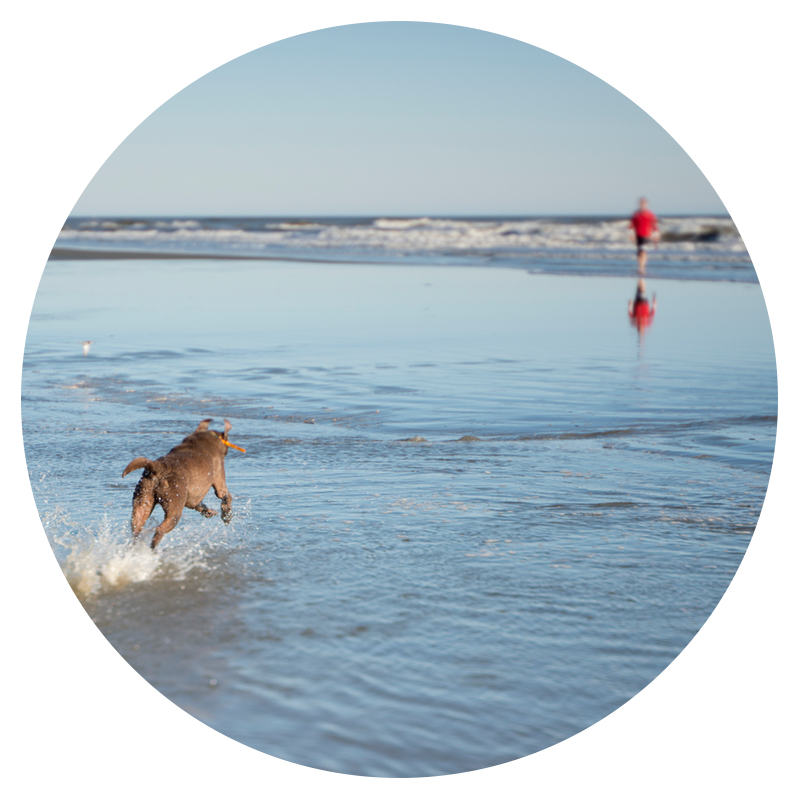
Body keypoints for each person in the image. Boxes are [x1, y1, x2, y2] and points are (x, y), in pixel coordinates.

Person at [629, 197, 660, 274]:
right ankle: (640, 267)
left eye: (644, 203)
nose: (642, 204)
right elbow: (631, 225)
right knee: (639, 252)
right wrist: (631, 234)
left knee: (643, 250)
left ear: (647, 204)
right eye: (641, 203)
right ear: (639, 204)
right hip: (638, 235)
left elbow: (654, 225)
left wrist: (656, 234)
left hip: (646, 235)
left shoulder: (650, 214)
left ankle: (642, 268)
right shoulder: (635, 214)